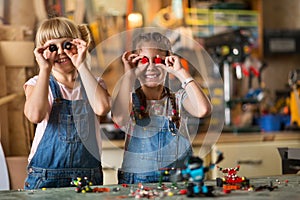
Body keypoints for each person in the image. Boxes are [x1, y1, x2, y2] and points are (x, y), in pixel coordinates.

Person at [111, 32, 212, 184]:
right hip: (138, 182)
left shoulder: (178, 98)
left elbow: (203, 109)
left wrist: (180, 72)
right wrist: (129, 75)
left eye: (158, 60)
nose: (151, 67)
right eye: (144, 61)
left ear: (168, 62)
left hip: (178, 180)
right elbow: (119, 117)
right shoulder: (130, 100)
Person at [23, 17, 110, 189]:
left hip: (88, 175)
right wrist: (44, 69)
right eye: (53, 47)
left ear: (79, 45)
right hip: (45, 174)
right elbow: (35, 115)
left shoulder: (94, 83)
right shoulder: (37, 84)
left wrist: (82, 65)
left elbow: (102, 107)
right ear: (42, 51)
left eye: (67, 45)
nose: (61, 52)